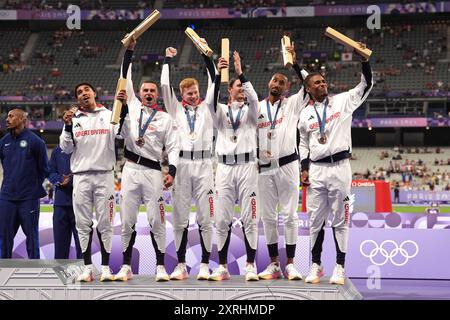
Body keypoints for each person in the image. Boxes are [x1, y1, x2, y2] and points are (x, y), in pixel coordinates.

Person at [298, 43, 373, 285]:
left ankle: (339, 267)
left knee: (341, 219)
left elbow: (366, 85)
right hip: (318, 170)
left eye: (323, 81)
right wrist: (304, 168)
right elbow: (303, 144)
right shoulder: (304, 115)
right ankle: (315, 265)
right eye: (317, 83)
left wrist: (364, 61)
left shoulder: (342, 102)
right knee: (315, 220)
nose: (323, 84)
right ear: (308, 89)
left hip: (340, 167)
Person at [114, 37, 179, 282]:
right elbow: (125, 78)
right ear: (139, 94)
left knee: (157, 220)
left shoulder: (164, 119)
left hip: (153, 172)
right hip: (130, 169)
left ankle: (161, 266)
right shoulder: (131, 106)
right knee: (127, 220)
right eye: (145, 91)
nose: (149, 93)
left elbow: (173, 146)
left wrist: (171, 170)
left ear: (157, 95)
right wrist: (129, 52)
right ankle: (126, 266)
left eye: (153, 91)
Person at [161, 44, 216, 280]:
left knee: (206, 217)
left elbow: (215, 81)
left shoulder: (208, 107)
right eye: (189, 93)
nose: (194, 96)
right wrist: (166, 61)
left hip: (205, 165)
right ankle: (181, 264)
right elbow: (164, 87)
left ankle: (204, 264)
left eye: (195, 92)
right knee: (180, 218)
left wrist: (207, 57)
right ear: (182, 95)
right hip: (182, 165)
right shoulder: (175, 110)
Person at [205, 52, 260, 281]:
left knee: (250, 218)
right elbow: (208, 101)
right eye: (237, 86)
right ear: (230, 90)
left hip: (247, 166)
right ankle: (223, 266)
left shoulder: (251, 112)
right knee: (221, 220)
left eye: (243, 87)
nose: (241, 89)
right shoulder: (220, 112)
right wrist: (218, 73)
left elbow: (255, 99)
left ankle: (250, 265)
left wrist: (240, 72)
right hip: (225, 169)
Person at [257, 44, 309, 281]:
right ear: (269, 84)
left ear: (287, 87)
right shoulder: (256, 108)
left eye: (282, 82)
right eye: (274, 81)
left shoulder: (293, 105)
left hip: (288, 164)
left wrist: (296, 64)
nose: (277, 84)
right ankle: (273, 264)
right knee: (268, 217)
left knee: (290, 216)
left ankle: (290, 264)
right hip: (263, 168)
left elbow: (308, 85)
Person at [60, 83, 120, 282]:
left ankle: (105, 268)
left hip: (105, 175)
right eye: (79, 92)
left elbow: (123, 135)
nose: (83, 93)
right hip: (82, 177)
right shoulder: (72, 118)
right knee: (82, 225)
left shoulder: (110, 114)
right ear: (77, 99)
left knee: (106, 224)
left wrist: (124, 108)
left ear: (95, 93)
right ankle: (87, 268)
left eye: (86, 90)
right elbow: (66, 148)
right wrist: (68, 126)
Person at [0, 108, 49, 259]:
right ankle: (2, 270)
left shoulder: (36, 142)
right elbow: (5, 165)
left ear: (22, 120)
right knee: (3, 238)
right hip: (7, 197)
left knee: (32, 238)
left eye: (11, 116)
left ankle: (34, 271)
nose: (7, 119)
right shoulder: (3, 142)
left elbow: (44, 169)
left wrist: (30, 186)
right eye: (7, 116)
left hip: (28, 198)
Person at [48, 144, 82, 259]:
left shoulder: (83, 148)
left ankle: (84, 273)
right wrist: (59, 179)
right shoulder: (57, 150)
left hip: (80, 204)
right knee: (60, 248)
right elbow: (50, 172)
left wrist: (73, 179)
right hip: (60, 204)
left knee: (82, 247)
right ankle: (59, 274)